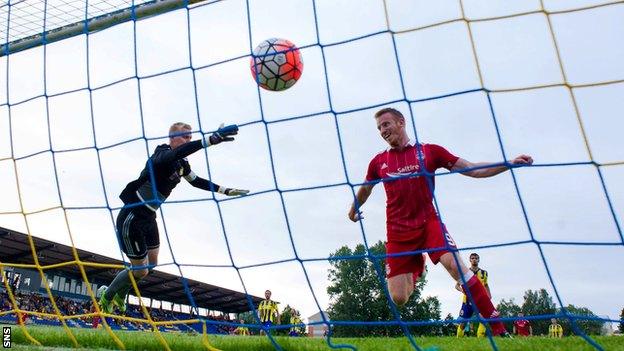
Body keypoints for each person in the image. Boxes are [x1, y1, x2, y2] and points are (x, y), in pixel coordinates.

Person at [348, 107, 533, 337]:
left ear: (401, 122)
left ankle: (498, 328)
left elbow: (472, 169)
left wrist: (508, 163)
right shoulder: (379, 162)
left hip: (428, 224)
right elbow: (366, 188)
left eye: (386, 124)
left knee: (456, 266)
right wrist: (353, 208)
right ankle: (418, 262)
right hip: (397, 233)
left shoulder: (429, 152)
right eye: (379, 128)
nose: (382, 131)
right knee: (399, 298)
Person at [98, 122, 249, 314]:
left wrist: (224, 190)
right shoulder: (162, 153)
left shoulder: (182, 164)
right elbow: (173, 155)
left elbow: (196, 182)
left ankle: (121, 294)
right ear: (172, 138)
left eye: (190, 136)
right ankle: (107, 295)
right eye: (185, 136)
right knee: (141, 270)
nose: (188, 139)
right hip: (133, 215)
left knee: (151, 264)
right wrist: (211, 140)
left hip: (150, 216)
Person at [456, 253, 489, 337]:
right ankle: (458, 340)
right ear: (470, 260)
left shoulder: (484, 273)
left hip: (480, 300)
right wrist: (463, 291)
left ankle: (480, 339)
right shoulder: (465, 272)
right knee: (463, 324)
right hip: (467, 301)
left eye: (476, 258)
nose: (474, 259)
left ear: (478, 260)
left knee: (483, 319)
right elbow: (457, 286)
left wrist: (489, 295)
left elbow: (485, 285)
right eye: (472, 258)